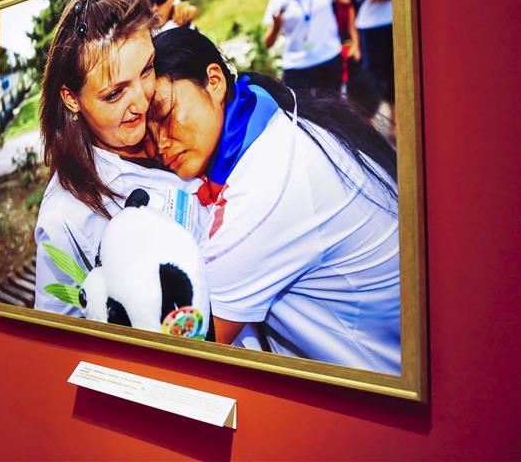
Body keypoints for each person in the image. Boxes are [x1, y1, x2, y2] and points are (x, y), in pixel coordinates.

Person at [148, 26, 401, 373]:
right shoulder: (264, 117)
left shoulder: (268, 181)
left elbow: (187, 347)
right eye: (147, 132)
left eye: (164, 114)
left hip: (377, 391)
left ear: (215, 81)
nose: (160, 142)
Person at [34, 0, 208, 321]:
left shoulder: (177, 111)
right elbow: (62, 332)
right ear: (71, 98)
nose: (141, 102)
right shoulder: (65, 217)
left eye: (146, 70)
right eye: (114, 94)